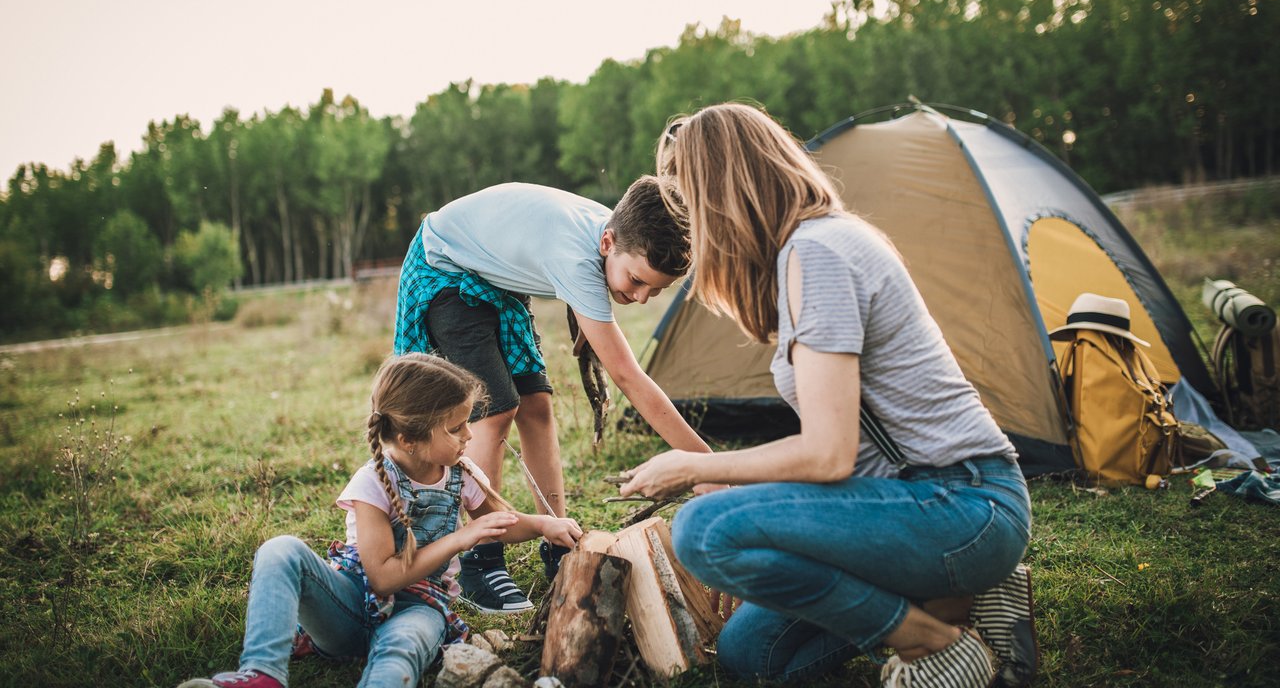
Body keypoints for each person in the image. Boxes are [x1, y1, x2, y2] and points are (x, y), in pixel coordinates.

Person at [619, 103, 1037, 688]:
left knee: (704, 531)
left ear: (723, 193)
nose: (692, 229)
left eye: (689, 204)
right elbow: (842, 451)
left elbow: (828, 454)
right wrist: (741, 478)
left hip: (958, 499)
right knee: (752, 656)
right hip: (901, 501)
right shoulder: (808, 251)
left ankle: (937, 643)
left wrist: (696, 467)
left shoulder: (818, 253)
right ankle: (958, 597)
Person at [393, 178, 712, 613]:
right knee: (495, 408)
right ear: (607, 243)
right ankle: (481, 559)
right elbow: (628, 376)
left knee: (537, 407)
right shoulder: (577, 258)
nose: (639, 297)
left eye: (654, 290)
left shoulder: (614, 237)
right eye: (636, 280)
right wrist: (706, 466)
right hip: (446, 269)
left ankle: (558, 539)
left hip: (493, 280)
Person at [180, 353, 583, 688]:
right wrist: (462, 538)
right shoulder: (372, 481)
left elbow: (500, 523)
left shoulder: (460, 472)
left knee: (403, 646)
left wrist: (545, 526)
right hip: (349, 607)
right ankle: (262, 674)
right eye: (456, 428)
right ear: (409, 439)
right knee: (280, 550)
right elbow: (383, 578)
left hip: (420, 608)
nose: (468, 437)